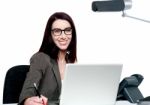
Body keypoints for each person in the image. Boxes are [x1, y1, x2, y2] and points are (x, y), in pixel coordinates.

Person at [19, 12, 77, 105]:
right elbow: (28, 90)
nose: (63, 36)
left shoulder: (71, 62)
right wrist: (27, 100)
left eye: (67, 30)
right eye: (57, 31)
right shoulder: (41, 58)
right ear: (50, 34)